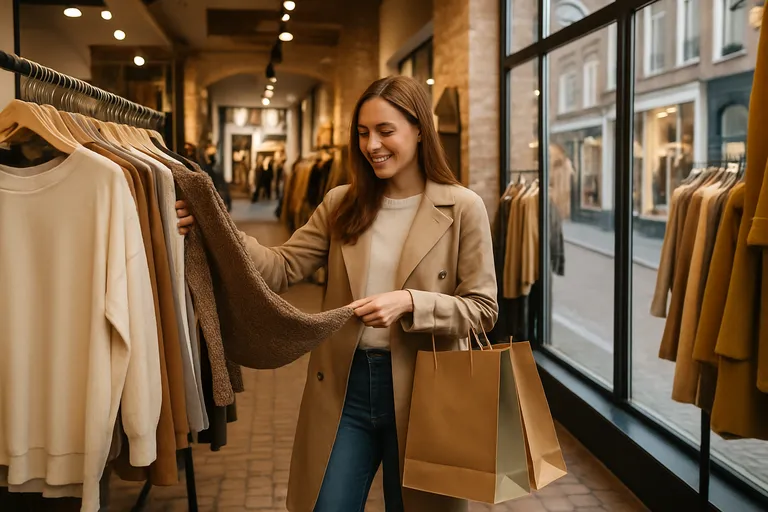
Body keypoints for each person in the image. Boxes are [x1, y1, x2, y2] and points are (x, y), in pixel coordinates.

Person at [175, 75, 498, 512]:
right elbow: (282, 267)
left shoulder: (462, 207)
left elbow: (482, 309)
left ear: (420, 129)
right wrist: (217, 227)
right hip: (345, 384)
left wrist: (411, 302)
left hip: (428, 390)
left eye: (386, 131)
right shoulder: (342, 203)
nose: (372, 145)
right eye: (363, 133)